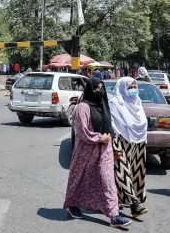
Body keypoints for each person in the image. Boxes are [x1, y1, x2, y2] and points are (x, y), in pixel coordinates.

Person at [63, 78, 132, 228]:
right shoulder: (83, 107)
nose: (99, 90)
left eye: (101, 87)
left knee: (107, 180)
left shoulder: (103, 105)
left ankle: (114, 216)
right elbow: (83, 133)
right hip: (86, 150)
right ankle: (72, 204)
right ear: (89, 89)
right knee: (79, 178)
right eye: (96, 87)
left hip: (105, 150)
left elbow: (109, 128)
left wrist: (114, 147)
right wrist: (101, 138)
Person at [109, 77, 148, 217]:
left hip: (138, 143)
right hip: (121, 142)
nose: (133, 89)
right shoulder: (115, 103)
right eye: (130, 87)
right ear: (122, 88)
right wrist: (115, 147)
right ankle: (134, 205)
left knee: (134, 175)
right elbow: (113, 126)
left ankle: (122, 203)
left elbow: (142, 122)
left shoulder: (137, 102)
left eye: (134, 86)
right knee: (122, 174)